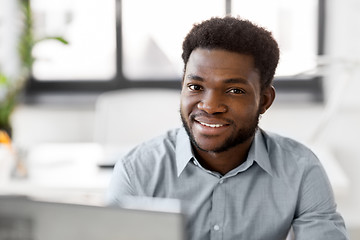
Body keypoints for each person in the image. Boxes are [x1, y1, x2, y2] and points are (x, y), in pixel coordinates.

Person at [107, 16, 348, 240]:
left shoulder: (301, 169)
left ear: (264, 101)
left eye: (235, 91)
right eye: (195, 86)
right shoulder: (137, 170)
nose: (210, 106)